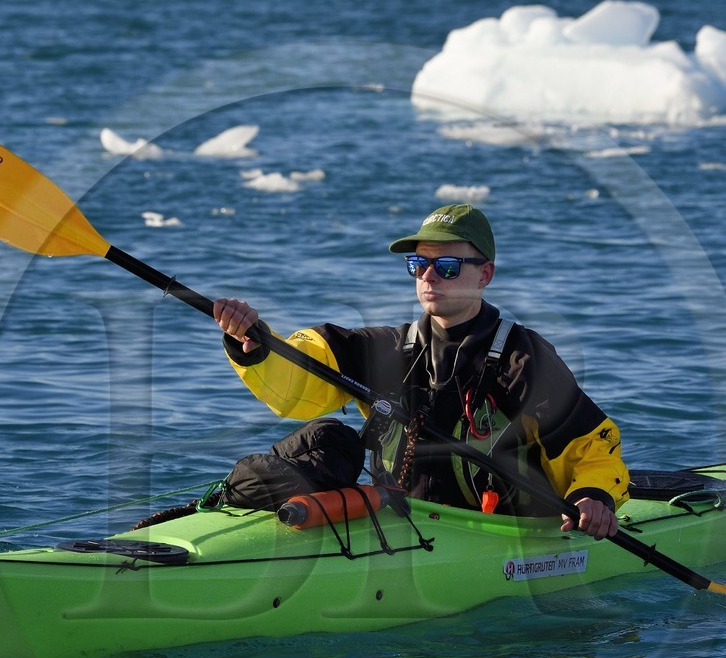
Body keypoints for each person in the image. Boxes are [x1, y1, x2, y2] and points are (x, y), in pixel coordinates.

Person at [211, 204, 626, 539]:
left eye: (446, 266)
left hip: (502, 534)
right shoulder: (386, 348)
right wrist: (253, 344)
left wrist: (594, 496)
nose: (428, 276)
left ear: (485, 275)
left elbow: (592, 445)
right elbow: (301, 377)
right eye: (419, 264)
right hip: (399, 523)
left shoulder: (523, 357)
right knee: (325, 440)